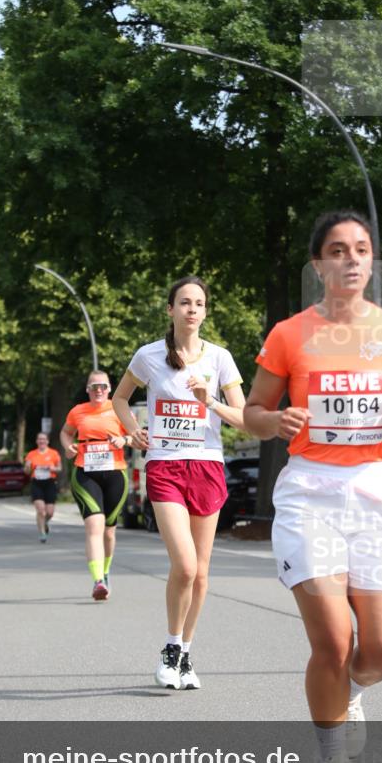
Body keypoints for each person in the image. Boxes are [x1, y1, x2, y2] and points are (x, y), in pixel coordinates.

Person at [243, 209, 382, 763]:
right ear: (319, 263)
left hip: (375, 491)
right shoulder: (289, 334)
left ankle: (350, 691)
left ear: (371, 261)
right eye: (338, 250)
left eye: (362, 249)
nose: (351, 259)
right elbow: (252, 413)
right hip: (310, 494)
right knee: (332, 640)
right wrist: (276, 419)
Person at [112, 276, 246, 690]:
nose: (192, 309)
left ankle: (185, 653)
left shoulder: (220, 358)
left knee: (201, 573)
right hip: (165, 466)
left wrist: (210, 401)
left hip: (206, 466)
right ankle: (170, 647)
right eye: (184, 302)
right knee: (184, 566)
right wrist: (134, 429)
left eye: (199, 303)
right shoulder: (149, 356)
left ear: (206, 312)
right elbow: (119, 398)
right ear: (170, 310)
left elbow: (245, 419)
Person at [60, 371, 130, 600]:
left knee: (109, 532)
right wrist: (68, 446)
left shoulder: (119, 409)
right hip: (85, 473)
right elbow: (65, 432)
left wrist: (124, 440)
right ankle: (98, 581)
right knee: (94, 526)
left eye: (102, 386)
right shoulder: (77, 411)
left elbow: (138, 435)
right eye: (93, 387)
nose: (98, 390)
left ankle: (106, 571)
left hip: (115, 474)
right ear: (87, 390)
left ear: (109, 389)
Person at [24, 432, 62, 542]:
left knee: (50, 512)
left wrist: (52, 468)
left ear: (47, 441)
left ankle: (44, 522)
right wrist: (27, 466)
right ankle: (42, 533)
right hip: (37, 483)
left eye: (44, 439)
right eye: (39, 439)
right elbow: (27, 471)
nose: (41, 441)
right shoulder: (31, 454)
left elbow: (60, 468)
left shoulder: (54, 453)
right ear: (37, 441)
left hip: (50, 483)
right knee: (41, 510)